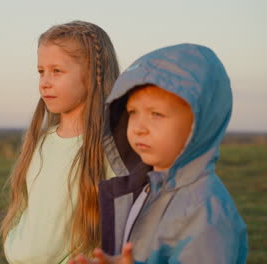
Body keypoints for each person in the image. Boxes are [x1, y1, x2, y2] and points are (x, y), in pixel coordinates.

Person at [70, 43, 248, 264]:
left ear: (200, 124)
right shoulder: (146, 188)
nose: (139, 127)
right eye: (132, 112)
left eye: (156, 114)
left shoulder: (206, 211)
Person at [0, 20, 120, 263]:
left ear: (93, 75)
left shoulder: (111, 148)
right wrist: (13, 242)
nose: (45, 82)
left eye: (57, 71)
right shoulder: (40, 141)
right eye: (41, 71)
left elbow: (119, 224)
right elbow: (25, 205)